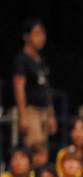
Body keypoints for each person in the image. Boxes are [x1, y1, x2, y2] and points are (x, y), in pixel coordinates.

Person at [12, 19, 56, 147]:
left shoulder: (41, 60)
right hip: (31, 110)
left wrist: (51, 114)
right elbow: (19, 86)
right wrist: (23, 115)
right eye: (37, 33)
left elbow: (46, 88)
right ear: (26, 37)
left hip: (44, 111)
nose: (41, 38)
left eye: (43, 34)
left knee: (44, 148)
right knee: (34, 148)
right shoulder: (21, 59)